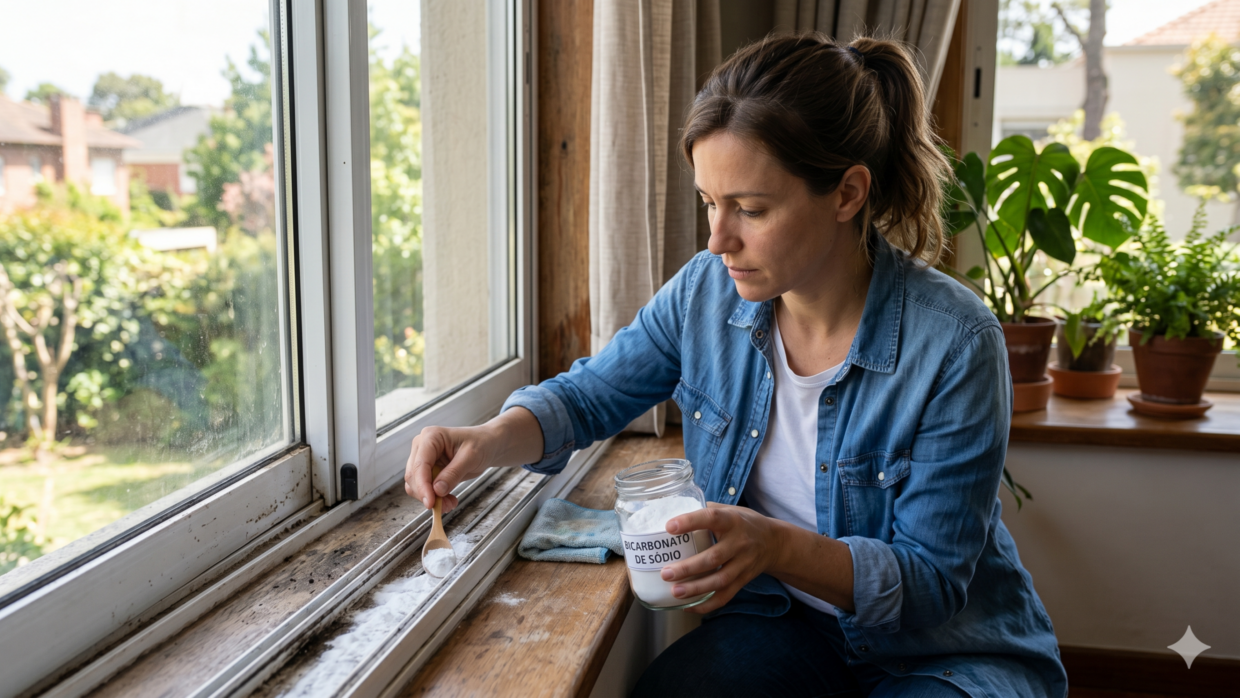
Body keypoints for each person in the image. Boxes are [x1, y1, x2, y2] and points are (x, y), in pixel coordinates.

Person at [404, 33, 1066, 698]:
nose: (719, 240)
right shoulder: (706, 292)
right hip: (786, 625)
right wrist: (485, 440)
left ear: (846, 194)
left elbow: (928, 587)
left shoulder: (955, 342)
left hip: (943, 655)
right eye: (709, 203)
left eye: (750, 209)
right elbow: (590, 396)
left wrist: (772, 545)